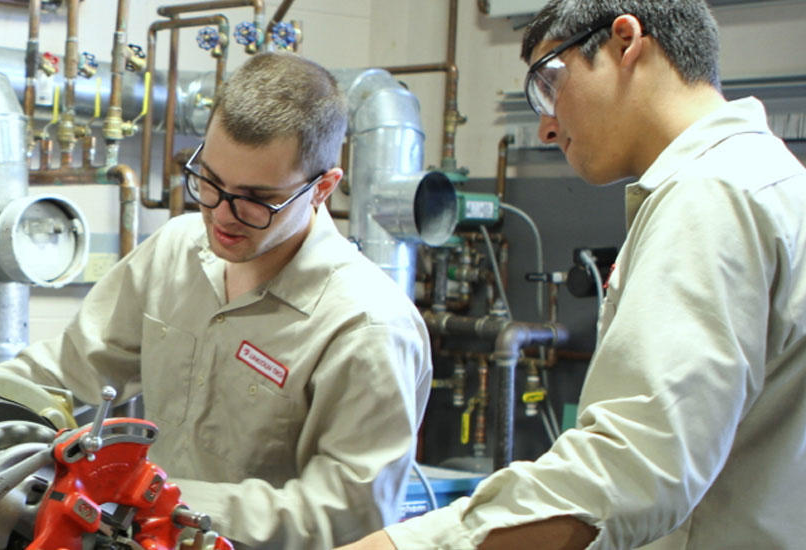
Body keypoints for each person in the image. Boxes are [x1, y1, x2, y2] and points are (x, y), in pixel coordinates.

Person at [342, 1, 806, 549]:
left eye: (547, 83)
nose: (544, 126)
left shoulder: (708, 196)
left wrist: (408, 546)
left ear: (625, 42)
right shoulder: (771, 177)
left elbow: (632, 468)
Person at [0, 50, 432, 548]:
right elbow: (64, 371)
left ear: (322, 189)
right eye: (210, 181)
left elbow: (348, 514)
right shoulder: (175, 251)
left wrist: (154, 497)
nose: (222, 214)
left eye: (256, 198)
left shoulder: (367, 326)